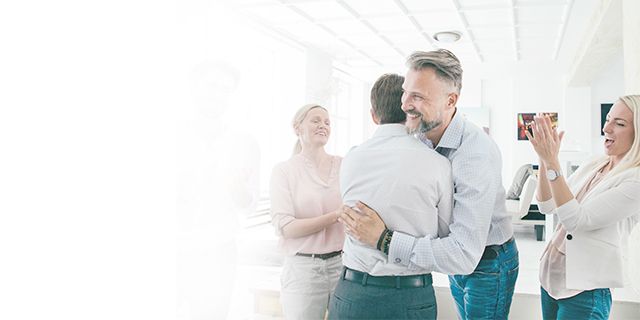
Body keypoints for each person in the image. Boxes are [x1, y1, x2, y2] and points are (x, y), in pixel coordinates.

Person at [339, 49, 518, 319]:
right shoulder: (420, 135)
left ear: (451, 101)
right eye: (405, 93)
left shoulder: (475, 155)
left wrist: (383, 239)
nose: (405, 105)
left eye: (418, 97)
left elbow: (462, 254)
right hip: (454, 256)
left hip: (487, 262)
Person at [327, 73, 453, 320]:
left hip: (352, 292)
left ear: (373, 115)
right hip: (410, 297)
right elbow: (444, 237)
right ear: (412, 111)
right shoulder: (438, 164)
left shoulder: (351, 158)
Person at [526, 94, 640, 319]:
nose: (606, 128)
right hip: (551, 282)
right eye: (608, 119)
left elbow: (575, 220)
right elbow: (547, 205)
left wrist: (552, 161)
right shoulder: (594, 162)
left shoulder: (635, 181)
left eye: (619, 123)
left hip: (584, 293)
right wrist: (543, 156)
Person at [177, 60, 261, 319]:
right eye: (211, 85)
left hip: (218, 253)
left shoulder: (245, 143)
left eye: (226, 89)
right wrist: (187, 190)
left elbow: (249, 207)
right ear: (192, 88)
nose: (218, 94)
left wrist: (238, 191)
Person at [269, 104, 345, 320]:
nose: (323, 125)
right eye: (316, 120)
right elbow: (285, 228)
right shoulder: (284, 170)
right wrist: (335, 216)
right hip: (303, 270)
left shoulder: (344, 165)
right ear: (297, 128)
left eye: (327, 122)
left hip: (342, 266)